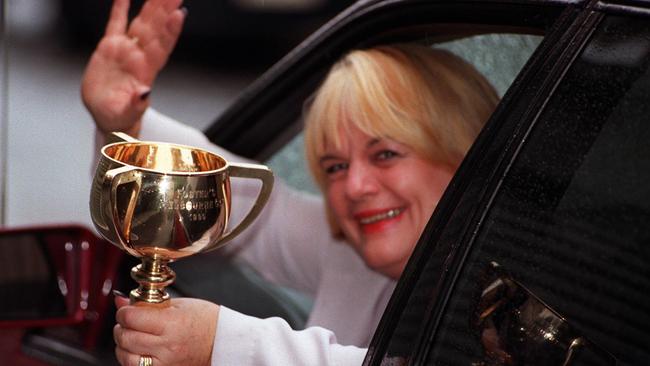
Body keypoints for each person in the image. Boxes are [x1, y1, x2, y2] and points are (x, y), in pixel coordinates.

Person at [81, 0, 499, 365]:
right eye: (334, 167)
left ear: (466, 156)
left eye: (385, 154)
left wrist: (223, 345)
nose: (354, 187)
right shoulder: (352, 249)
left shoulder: (517, 301)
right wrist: (125, 123)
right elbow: (254, 209)